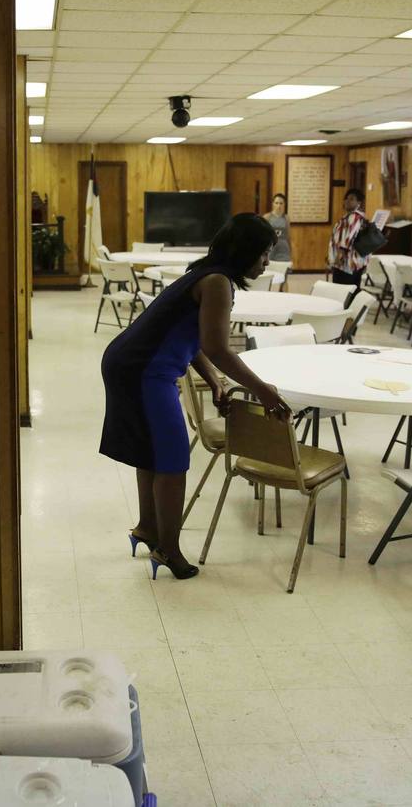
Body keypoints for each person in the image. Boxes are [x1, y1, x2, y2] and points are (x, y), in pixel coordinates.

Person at [99, 213, 290, 581]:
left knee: (151, 453)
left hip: (129, 363)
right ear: (247, 251)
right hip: (144, 372)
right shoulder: (218, 282)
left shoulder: (204, 274)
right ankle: (168, 549)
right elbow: (218, 346)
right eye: (264, 253)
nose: (267, 262)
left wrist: (216, 382)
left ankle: (148, 528)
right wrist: (262, 390)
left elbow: (195, 339)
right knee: (171, 460)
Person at [327, 188, 369, 286]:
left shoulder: (355, 217)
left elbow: (349, 237)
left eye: (351, 199)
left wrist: (340, 254)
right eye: (346, 198)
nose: (347, 201)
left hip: (347, 262)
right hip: (345, 262)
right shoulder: (348, 216)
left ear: (359, 203)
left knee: (343, 290)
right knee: (347, 289)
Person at [263, 193, 291, 262]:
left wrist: (291, 252)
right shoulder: (267, 217)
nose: (279, 206)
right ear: (273, 204)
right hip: (271, 248)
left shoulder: (286, 218)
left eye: (281, 203)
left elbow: (288, 236)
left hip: (283, 249)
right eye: (276, 203)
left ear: (284, 204)